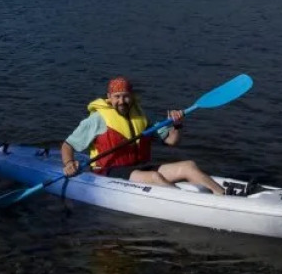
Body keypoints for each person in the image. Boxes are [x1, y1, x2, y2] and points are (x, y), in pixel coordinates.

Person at [59, 76, 225, 195]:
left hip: (138, 168)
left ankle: (222, 194)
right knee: (155, 177)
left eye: (125, 96)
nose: (122, 101)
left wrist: (176, 124)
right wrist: (68, 163)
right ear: (109, 98)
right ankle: (195, 205)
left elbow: (172, 140)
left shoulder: (142, 116)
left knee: (188, 165)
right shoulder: (97, 119)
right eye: (117, 97)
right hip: (109, 172)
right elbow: (68, 145)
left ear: (131, 96)